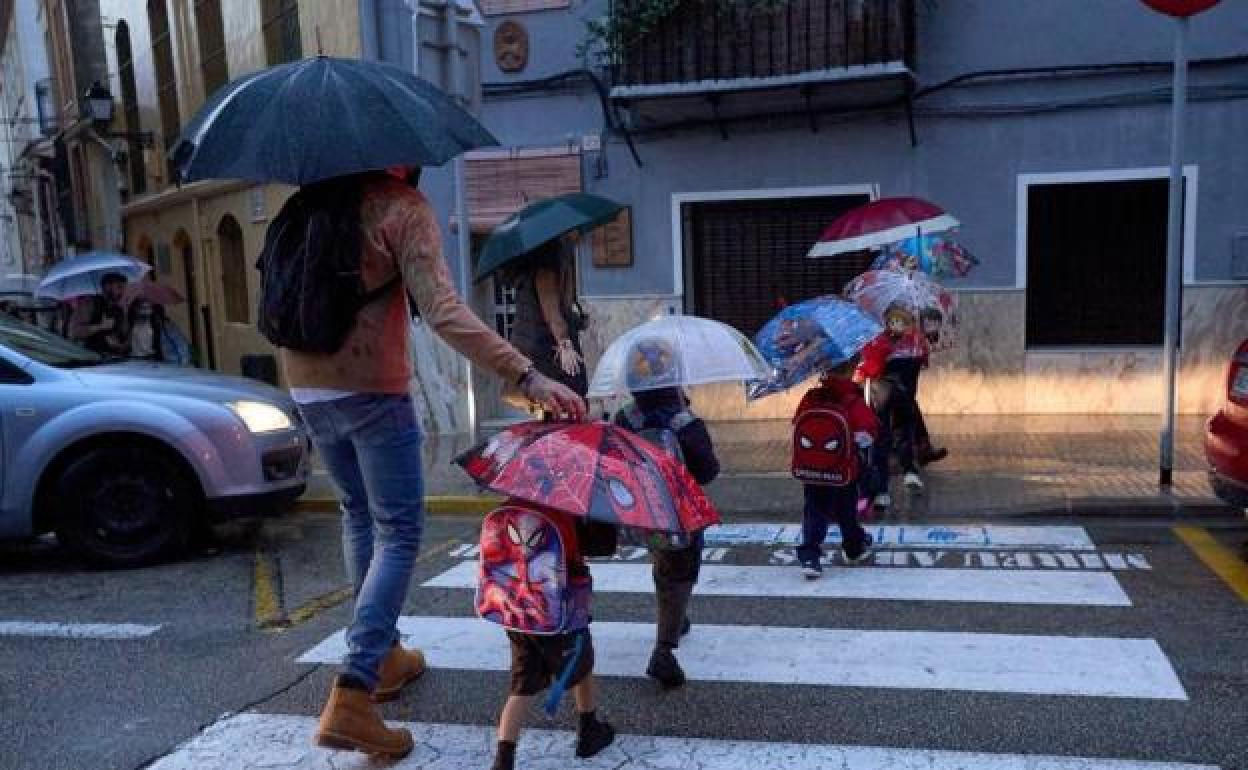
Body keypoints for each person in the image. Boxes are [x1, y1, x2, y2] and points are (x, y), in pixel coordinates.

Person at [269, 168, 585, 760]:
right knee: (399, 529)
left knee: (359, 515)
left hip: (306, 383)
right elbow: (441, 310)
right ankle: (354, 688)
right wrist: (525, 373)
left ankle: (384, 655)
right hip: (370, 386)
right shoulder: (399, 205)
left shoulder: (311, 201)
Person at [612, 337, 720, 690]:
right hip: (681, 514)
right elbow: (708, 471)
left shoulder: (625, 418)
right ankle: (664, 649)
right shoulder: (683, 420)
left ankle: (676, 617)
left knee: (663, 565)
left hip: (642, 510)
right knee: (682, 571)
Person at [487, 506, 615, 770]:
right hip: (560, 616)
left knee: (521, 684)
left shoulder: (505, 510)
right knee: (582, 666)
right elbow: (586, 552)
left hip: (519, 614)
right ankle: (588, 730)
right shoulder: (561, 514)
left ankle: (503, 758)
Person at [793, 359, 880, 578]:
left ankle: (810, 555)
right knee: (846, 510)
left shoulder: (811, 397)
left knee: (814, 508)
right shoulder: (852, 400)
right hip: (843, 470)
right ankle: (853, 548)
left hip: (811, 468)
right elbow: (867, 435)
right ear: (851, 370)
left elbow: (797, 423)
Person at [507, 235, 589, 399]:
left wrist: (576, 320)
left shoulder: (554, 258)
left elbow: (556, 307)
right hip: (543, 346)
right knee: (571, 392)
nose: (581, 235)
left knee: (565, 396)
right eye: (575, 230)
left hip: (539, 344)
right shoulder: (547, 266)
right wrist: (565, 344)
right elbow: (550, 309)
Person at [70, 272, 129, 355]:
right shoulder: (90, 304)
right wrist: (100, 326)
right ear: (107, 287)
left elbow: (124, 337)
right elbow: (76, 331)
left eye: (123, 288)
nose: (122, 292)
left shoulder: (119, 310)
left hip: (114, 358)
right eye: (119, 287)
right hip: (91, 357)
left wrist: (120, 345)